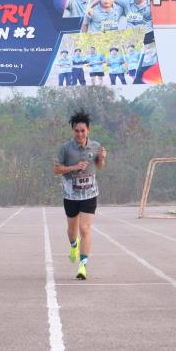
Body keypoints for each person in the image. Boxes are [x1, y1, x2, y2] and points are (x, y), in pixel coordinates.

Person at [54, 110, 107, 281]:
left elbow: (100, 166)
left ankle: (83, 265)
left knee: (85, 228)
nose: (80, 134)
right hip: (71, 195)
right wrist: (74, 167)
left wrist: (102, 158)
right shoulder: (66, 148)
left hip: (90, 193)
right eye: (76, 131)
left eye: (83, 131)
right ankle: (73, 245)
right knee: (72, 231)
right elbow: (56, 169)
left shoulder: (96, 146)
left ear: (88, 130)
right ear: (73, 131)